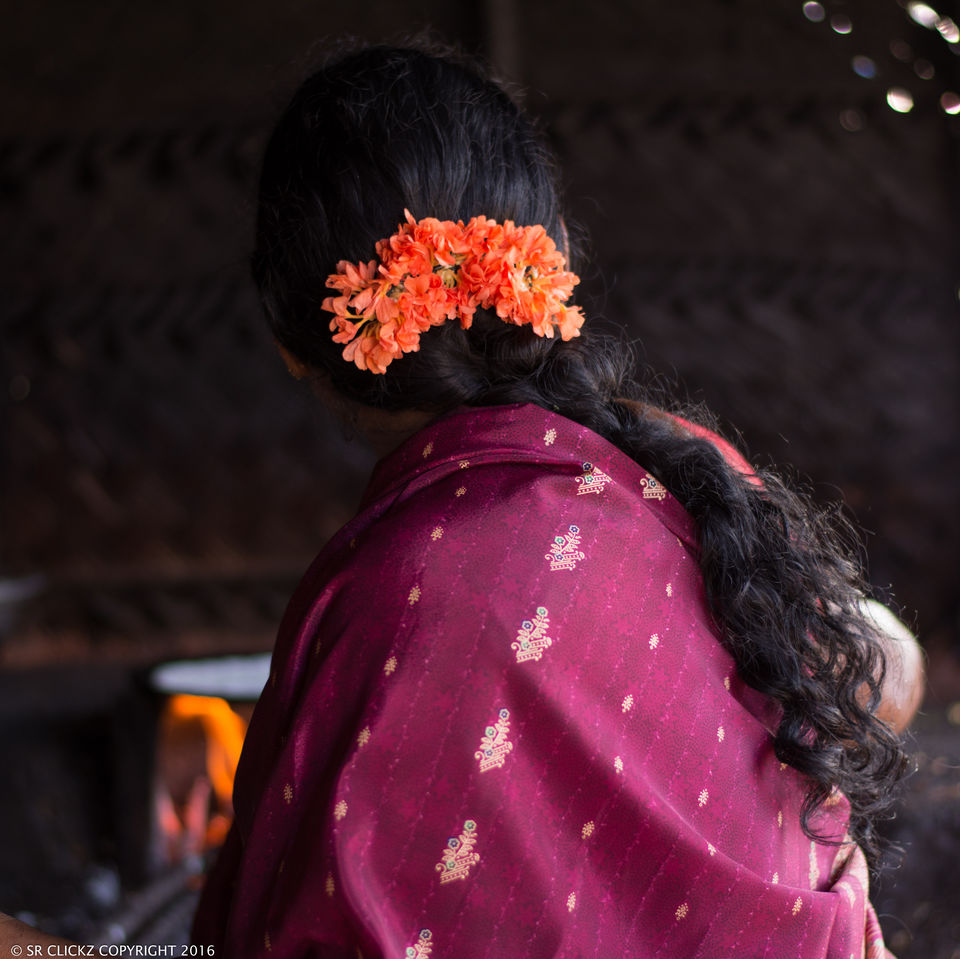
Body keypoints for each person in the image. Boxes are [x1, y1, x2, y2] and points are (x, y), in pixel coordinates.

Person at [0, 43, 922, 959]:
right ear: (553, 264)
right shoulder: (686, 465)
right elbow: (893, 675)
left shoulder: (405, 595)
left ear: (290, 342)